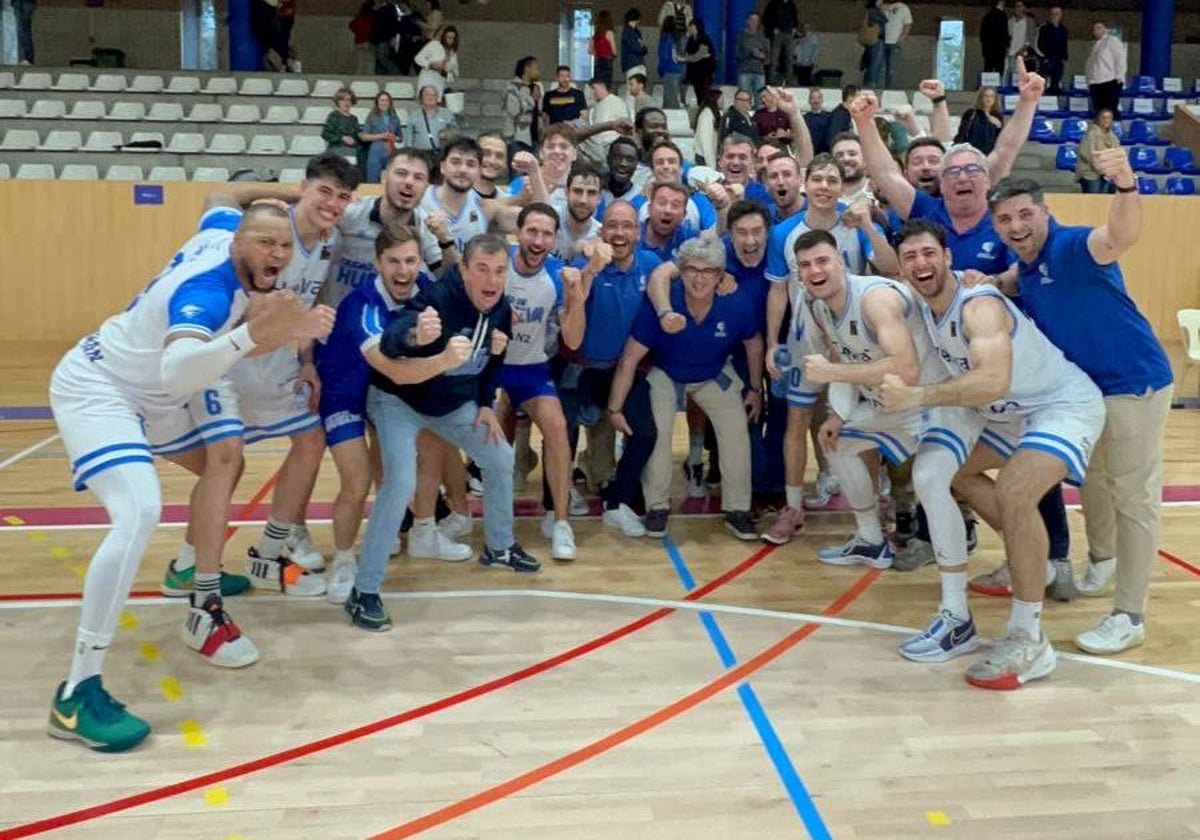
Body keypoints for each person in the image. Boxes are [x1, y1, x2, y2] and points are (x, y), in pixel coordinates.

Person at [47, 202, 332, 751]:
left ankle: (188, 571)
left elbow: (218, 206)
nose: (275, 254)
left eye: (282, 244)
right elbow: (178, 368)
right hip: (103, 387)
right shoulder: (208, 292)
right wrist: (258, 335)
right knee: (140, 511)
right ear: (239, 244)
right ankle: (77, 693)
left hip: (155, 395)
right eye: (263, 243)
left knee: (221, 467)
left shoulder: (223, 231)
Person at [881, 219, 1105, 690]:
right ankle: (1035, 561)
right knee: (952, 474)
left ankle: (1029, 638)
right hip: (1011, 414)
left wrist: (919, 398)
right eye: (910, 257)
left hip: (1059, 404)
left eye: (928, 253)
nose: (921, 263)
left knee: (1016, 489)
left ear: (947, 257)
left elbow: (992, 382)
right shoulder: (922, 310)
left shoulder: (977, 305)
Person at [988, 164, 1173, 656]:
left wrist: (1127, 186)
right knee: (1092, 481)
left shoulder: (1073, 247)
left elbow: (1119, 234)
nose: (1016, 226)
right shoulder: (1025, 266)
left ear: (1046, 213)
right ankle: (1105, 562)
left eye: (1025, 215)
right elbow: (1008, 281)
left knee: (1133, 497)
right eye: (1005, 220)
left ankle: (1130, 615)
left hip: (1135, 384)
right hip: (1086, 392)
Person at [164, 155, 361, 614]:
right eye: (323, 191)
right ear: (302, 188)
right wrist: (292, 197)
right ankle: (188, 568)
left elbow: (306, 308)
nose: (332, 204)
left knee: (311, 440)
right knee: (226, 461)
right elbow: (220, 196)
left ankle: (268, 555)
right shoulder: (269, 229)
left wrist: (308, 360)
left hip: (275, 361)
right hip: (227, 359)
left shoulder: (328, 245)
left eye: (342, 196)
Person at [794, 228, 983, 664]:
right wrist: (840, 413)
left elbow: (905, 367)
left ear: (841, 261)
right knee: (836, 443)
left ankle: (958, 617)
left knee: (929, 481)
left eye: (822, 261)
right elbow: (843, 358)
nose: (815, 271)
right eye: (805, 266)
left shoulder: (874, 298)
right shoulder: (817, 305)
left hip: (939, 400)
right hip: (895, 406)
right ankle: (870, 541)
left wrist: (835, 379)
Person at [344, 234, 536, 630]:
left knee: (500, 457)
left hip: (452, 405)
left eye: (500, 270)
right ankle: (363, 591)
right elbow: (397, 334)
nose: (492, 279)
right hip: (397, 402)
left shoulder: (498, 306)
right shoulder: (437, 298)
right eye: (481, 268)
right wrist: (417, 335)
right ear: (462, 270)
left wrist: (485, 402)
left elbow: (494, 358)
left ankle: (499, 547)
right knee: (400, 484)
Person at [316, 224, 465, 604]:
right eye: (393, 261)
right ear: (377, 263)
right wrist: (446, 360)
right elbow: (395, 369)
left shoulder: (427, 292)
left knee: (432, 442)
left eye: (410, 260)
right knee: (357, 478)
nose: (403, 270)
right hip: (346, 391)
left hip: (389, 392)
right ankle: (346, 559)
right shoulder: (361, 305)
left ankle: (424, 531)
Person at [609, 236, 762, 539]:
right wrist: (614, 408)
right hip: (666, 372)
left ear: (721, 276)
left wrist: (755, 389)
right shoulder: (664, 302)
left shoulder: (734, 302)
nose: (699, 277)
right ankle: (657, 506)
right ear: (680, 271)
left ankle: (737, 510)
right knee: (659, 434)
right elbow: (629, 358)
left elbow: (754, 345)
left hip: (713, 372)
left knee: (736, 435)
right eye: (692, 269)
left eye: (708, 271)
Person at [565, 202, 661, 537]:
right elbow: (573, 307)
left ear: (638, 231)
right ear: (601, 230)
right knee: (562, 428)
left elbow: (681, 272)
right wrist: (591, 267)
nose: (619, 233)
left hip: (625, 369)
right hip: (582, 368)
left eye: (627, 226)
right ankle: (556, 502)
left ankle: (617, 504)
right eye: (612, 226)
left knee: (645, 433)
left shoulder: (651, 264)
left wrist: (722, 280)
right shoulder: (584, 264)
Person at [501, 204, 586, 559]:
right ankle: (484, 514)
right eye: (532, 232)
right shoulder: (496, 263)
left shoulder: (558, 275)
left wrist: (576, 297)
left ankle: (560, 521)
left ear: (554, 239)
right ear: (518, 233)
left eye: (546, 234)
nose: (538, 240)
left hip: (532, 368)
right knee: (493, 432)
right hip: (492, 368)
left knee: (556, 426)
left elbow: (574, 339)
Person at [577, 77, 633, 166]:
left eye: (594, 88)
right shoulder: (596, 106)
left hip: (610, 143)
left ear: (602, 86)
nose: (593, 92)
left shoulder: (615, 101)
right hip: (599, 145)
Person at [555, 163, 604, 260]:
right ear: (566, 193)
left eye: (591, 193)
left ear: (599, 198)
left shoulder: (601, 235)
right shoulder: (548, 219)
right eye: (577, 191)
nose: (583, 200)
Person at [361, 91, 405, 183]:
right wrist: (382, 136)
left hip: (391, 151)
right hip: (376, 151)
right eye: (381, 100)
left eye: (386, 100)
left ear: (390, 103)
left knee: (392, 181)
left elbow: (400, 137)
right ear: (377, 103)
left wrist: (394, 138)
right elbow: (364, 137)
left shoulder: (394, 117)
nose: (384, 103)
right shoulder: (372, 117)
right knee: (373, 180)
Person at [1086, 21, 1125, 119]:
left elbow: (1120, 58)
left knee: (1109, 111)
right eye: (1095, 29)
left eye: (1099, 27)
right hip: (1095, 82)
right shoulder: (1095, 45)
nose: (1097, 30)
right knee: (1099, 111)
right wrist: (1089, 80)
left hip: (1109, 80)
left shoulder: (1112, 41)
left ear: (1105, 29)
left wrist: (1120, 76)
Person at [503, 56, 542, 153]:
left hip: (535, 137)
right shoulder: (512, 88)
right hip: (517, 138)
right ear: (527, 68)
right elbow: (513, 111)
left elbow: (540, 112)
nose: (539, 72)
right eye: (536, 68)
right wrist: (532, 99)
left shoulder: (537, 87)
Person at [1076, 108, 1120, 194]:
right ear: (1098, 119)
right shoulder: (1091, 134)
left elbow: (1117, 155)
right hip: (1091, 174)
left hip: (1108, 174)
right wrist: (1103, 172)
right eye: (1103, 117)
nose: (1106, 120)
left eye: (1109, 118)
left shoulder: (1113, 137)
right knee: (1093, 203)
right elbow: (1089, 156)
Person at [407, 84, 457, 157]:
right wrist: (409, 154)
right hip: (420, 154)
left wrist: (447, 133)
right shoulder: (414, 115)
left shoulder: (447, 113)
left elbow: (455, 133)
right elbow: (409, 138)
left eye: (433, 95)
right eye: (427, 94)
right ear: (421, 97)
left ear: (437, 97)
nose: (430, 97)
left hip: (442, 154)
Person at [954, 86, 1003, 156]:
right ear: (981, 98)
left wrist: (998, 126)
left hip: (989, 155)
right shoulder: (971, 113)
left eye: (992, 96)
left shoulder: (998, 116)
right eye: (986, 96)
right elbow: (962, 133)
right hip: (972, 153)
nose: (989, 99)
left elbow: (1000, 139)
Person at [414, 24, 459, 100]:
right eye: (448, 37)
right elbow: (418, 58)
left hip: (439, 84)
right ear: (444, 37)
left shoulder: (453, 53)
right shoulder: (434, 44)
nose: (450, 40)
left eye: (452, 38)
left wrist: (443, 71)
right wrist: (431, 65)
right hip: (427, 80)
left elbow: (455, 74)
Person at [736, 12, 770, 107]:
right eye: (752, 20)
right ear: (747, 21)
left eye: (756, 20)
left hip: (759, 72)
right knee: (744, 99)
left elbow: (768, 57)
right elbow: (737, 54)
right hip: (744, 72)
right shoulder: (741, 36)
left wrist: (761, 55)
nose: (754, 22)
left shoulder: (763, 37)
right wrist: (750, 53)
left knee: (761, 99)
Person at [762, 0, 799, 85]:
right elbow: (766, 18)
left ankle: (790, 80)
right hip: (777, 33)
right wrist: (772, 28)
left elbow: (795, 17)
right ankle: (772, 80)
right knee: (774, 58)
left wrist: (794, 27)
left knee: (789, 58)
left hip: (788, 32)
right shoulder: (773, 3)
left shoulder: (791, 4)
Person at [683, 18, 716, 109]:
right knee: (698, 94)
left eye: (692, 27)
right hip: (694, 72)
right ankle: (701, 109)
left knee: (704, 93)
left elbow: (699, 55)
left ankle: (705, 110)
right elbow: (688, 53)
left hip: (705, 71)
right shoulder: (690, 40)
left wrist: (685, 58)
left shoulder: (704, 38)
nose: (690, 29)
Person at [1037, 6, 1068, 94]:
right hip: (1046, 59)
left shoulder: (1063, 30)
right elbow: (1040, 44)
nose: (1055, 16)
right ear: (1050, 15)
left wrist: (1064, 57)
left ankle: (1054, 98)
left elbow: (1064, 45)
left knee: (1055, 83)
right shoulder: (1044, 29)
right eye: (1053, 14)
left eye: (1057, 14)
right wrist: (1045, 57)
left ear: (1061, 15)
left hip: (1058, 60)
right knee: (1042, 83)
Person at [881, 0, 913, 89]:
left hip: (894, 43)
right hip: (881, 42)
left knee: (891, 69)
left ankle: (889, 90)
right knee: (881, 69)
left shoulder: (903, 7)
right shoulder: (882, 7)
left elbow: (908, 24)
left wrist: (901, 38)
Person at [321, 87, 361, 155]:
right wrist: (342, 138)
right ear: (338, 102)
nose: (346, 103)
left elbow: (357, 136)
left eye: (348, 100)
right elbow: (325, 134)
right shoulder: (333, 116)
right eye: (342, 100)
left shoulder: (354, 119)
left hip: (352, 149)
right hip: (337, 149)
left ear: (352, 102)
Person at [1006, 0, 1036, 80]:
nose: (1017, 9)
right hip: (1011, 53)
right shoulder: (1010, 22)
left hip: (1024, 54)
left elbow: (1031, 38)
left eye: (1019, 6)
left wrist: (1023, 50)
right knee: (1009, 76)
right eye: (1016, 6)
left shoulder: (1030, 22)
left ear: (1024, 8)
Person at [861, 0, 887, 89]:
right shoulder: (873, 11)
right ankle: (871, 84)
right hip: (876, 40)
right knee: (875, 63)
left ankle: (869, 82)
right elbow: (884, 20)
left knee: (872, 63)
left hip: (874, 41)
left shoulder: (871, 11)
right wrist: (882, 11)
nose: (882, 3)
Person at [979, 0, 1008, 75]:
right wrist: (1006, 44)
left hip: (988, 50)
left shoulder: (987, 16)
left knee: (988, 72)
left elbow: (982, 35)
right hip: (999, 49)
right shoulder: (1002, 16)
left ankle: (988, 86)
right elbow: (1004, 33)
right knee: (999, 72)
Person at [695, 89, 723, 167]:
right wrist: (711, 164)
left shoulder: (714, 114)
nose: (722, 102)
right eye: (721, 99)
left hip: (709, 156)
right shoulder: (707, 115)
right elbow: (706, 141)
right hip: (704, 157)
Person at [349, 1, 376, 75]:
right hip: (368, 42)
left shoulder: (359, 18)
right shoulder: (372, 18)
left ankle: (358, 78)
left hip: (358, 42)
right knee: (370, 63)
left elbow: (351, 25)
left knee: (360, 63)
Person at [621, 8, 649, 76]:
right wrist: (644, 48)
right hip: (633, 63)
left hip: (634, 63)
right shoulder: (629, 32)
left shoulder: (632, 32)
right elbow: (636, 48)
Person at [590, 10, 616, 85]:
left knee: (598, 84)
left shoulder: (595, 35)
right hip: (607, 61)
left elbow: (589, 50)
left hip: (598, 61)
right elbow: (614, 51)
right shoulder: (609, 33)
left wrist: (598, 53)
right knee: (606, 85)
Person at [14, 0, 36, 64]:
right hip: (23, 3)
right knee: (23, 30)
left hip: (23, 3)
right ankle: (27, 58)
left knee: (24, 30)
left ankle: (27, 58)